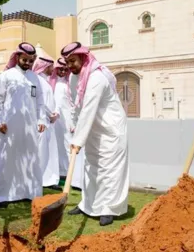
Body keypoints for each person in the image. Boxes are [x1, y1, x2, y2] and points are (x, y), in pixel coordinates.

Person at [60, 42, 129, 226]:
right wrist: (75, 129)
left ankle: (109, 209)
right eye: (67, 62)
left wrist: (78, 140)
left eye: (73, 61)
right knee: (90, 168)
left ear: (83, 58)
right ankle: (87, 205)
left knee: (108, 171)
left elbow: (89, 108)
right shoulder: (75, 78)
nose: (69, 66)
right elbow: (76, 106)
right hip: (92, 130)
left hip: (110, 131)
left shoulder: (96, 77)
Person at [0, 42, 48, 208]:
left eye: (31, 61)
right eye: (25, 59)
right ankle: (3, 195)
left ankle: (30, 193)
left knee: (30, 158)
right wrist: (0, 120)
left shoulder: (34, 78)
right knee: (7, 159)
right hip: (9, 126)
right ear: (17, 57)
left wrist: (41, 119)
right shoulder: (6, 75)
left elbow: (40, 101)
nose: (28, 63)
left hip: (30, 127)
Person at [50, 58, 85, 190]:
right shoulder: (57, 85)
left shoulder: (68, 83)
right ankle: (64, 174)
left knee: (70, 147)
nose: (63, 71)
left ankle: (73, 177)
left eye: (66, 69)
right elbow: (57, 104)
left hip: (68, 121)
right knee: (62, 148)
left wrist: (73, 122)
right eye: (61, 69)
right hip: (59, 122)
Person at [31, 54, 61, 190]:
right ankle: (40, 179)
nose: (53, 69)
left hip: (49, 122)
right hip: (42, 122)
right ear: (45, 67)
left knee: (49, 152)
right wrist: (51, 115)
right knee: (41, 153)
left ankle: (48, 180)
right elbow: (40, 103)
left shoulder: (45, 82)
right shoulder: (38, 81)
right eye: (51, 66)